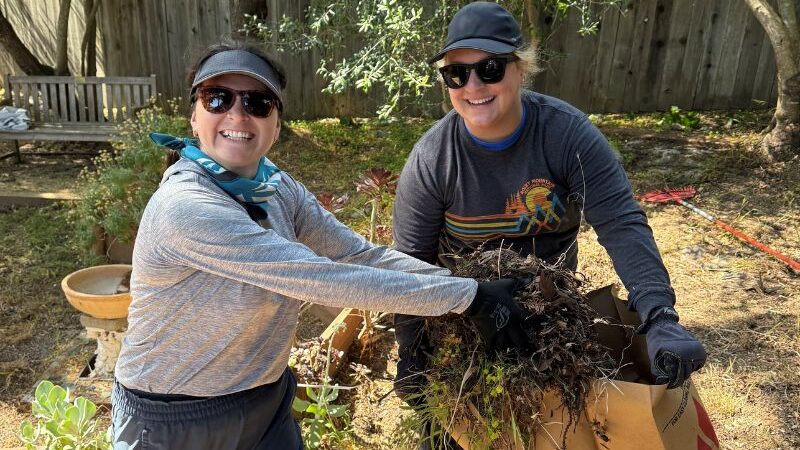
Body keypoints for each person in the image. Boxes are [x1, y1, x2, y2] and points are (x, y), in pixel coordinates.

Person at [111, 41, 534, 450]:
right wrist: (467, 298)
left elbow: (359, 255)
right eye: (217, 98)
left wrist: (466, 287)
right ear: (194, 117)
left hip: (264, 402)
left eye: (258, 103)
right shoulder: (186, 207)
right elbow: (320, 278)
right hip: (173, 420)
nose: (238, 114)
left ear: (277, 126)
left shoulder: (277, 188)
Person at [392, 2, 708, 448]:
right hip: (464, 321)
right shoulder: (433, 160)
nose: (473, 86)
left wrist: (659, 316)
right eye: (456, 74)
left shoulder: (566, 135)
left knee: (560, 431)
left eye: (490, 68)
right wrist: (412, 350)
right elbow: (410, 261)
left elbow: (621, 223)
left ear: (521, 69)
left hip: (552, 318)